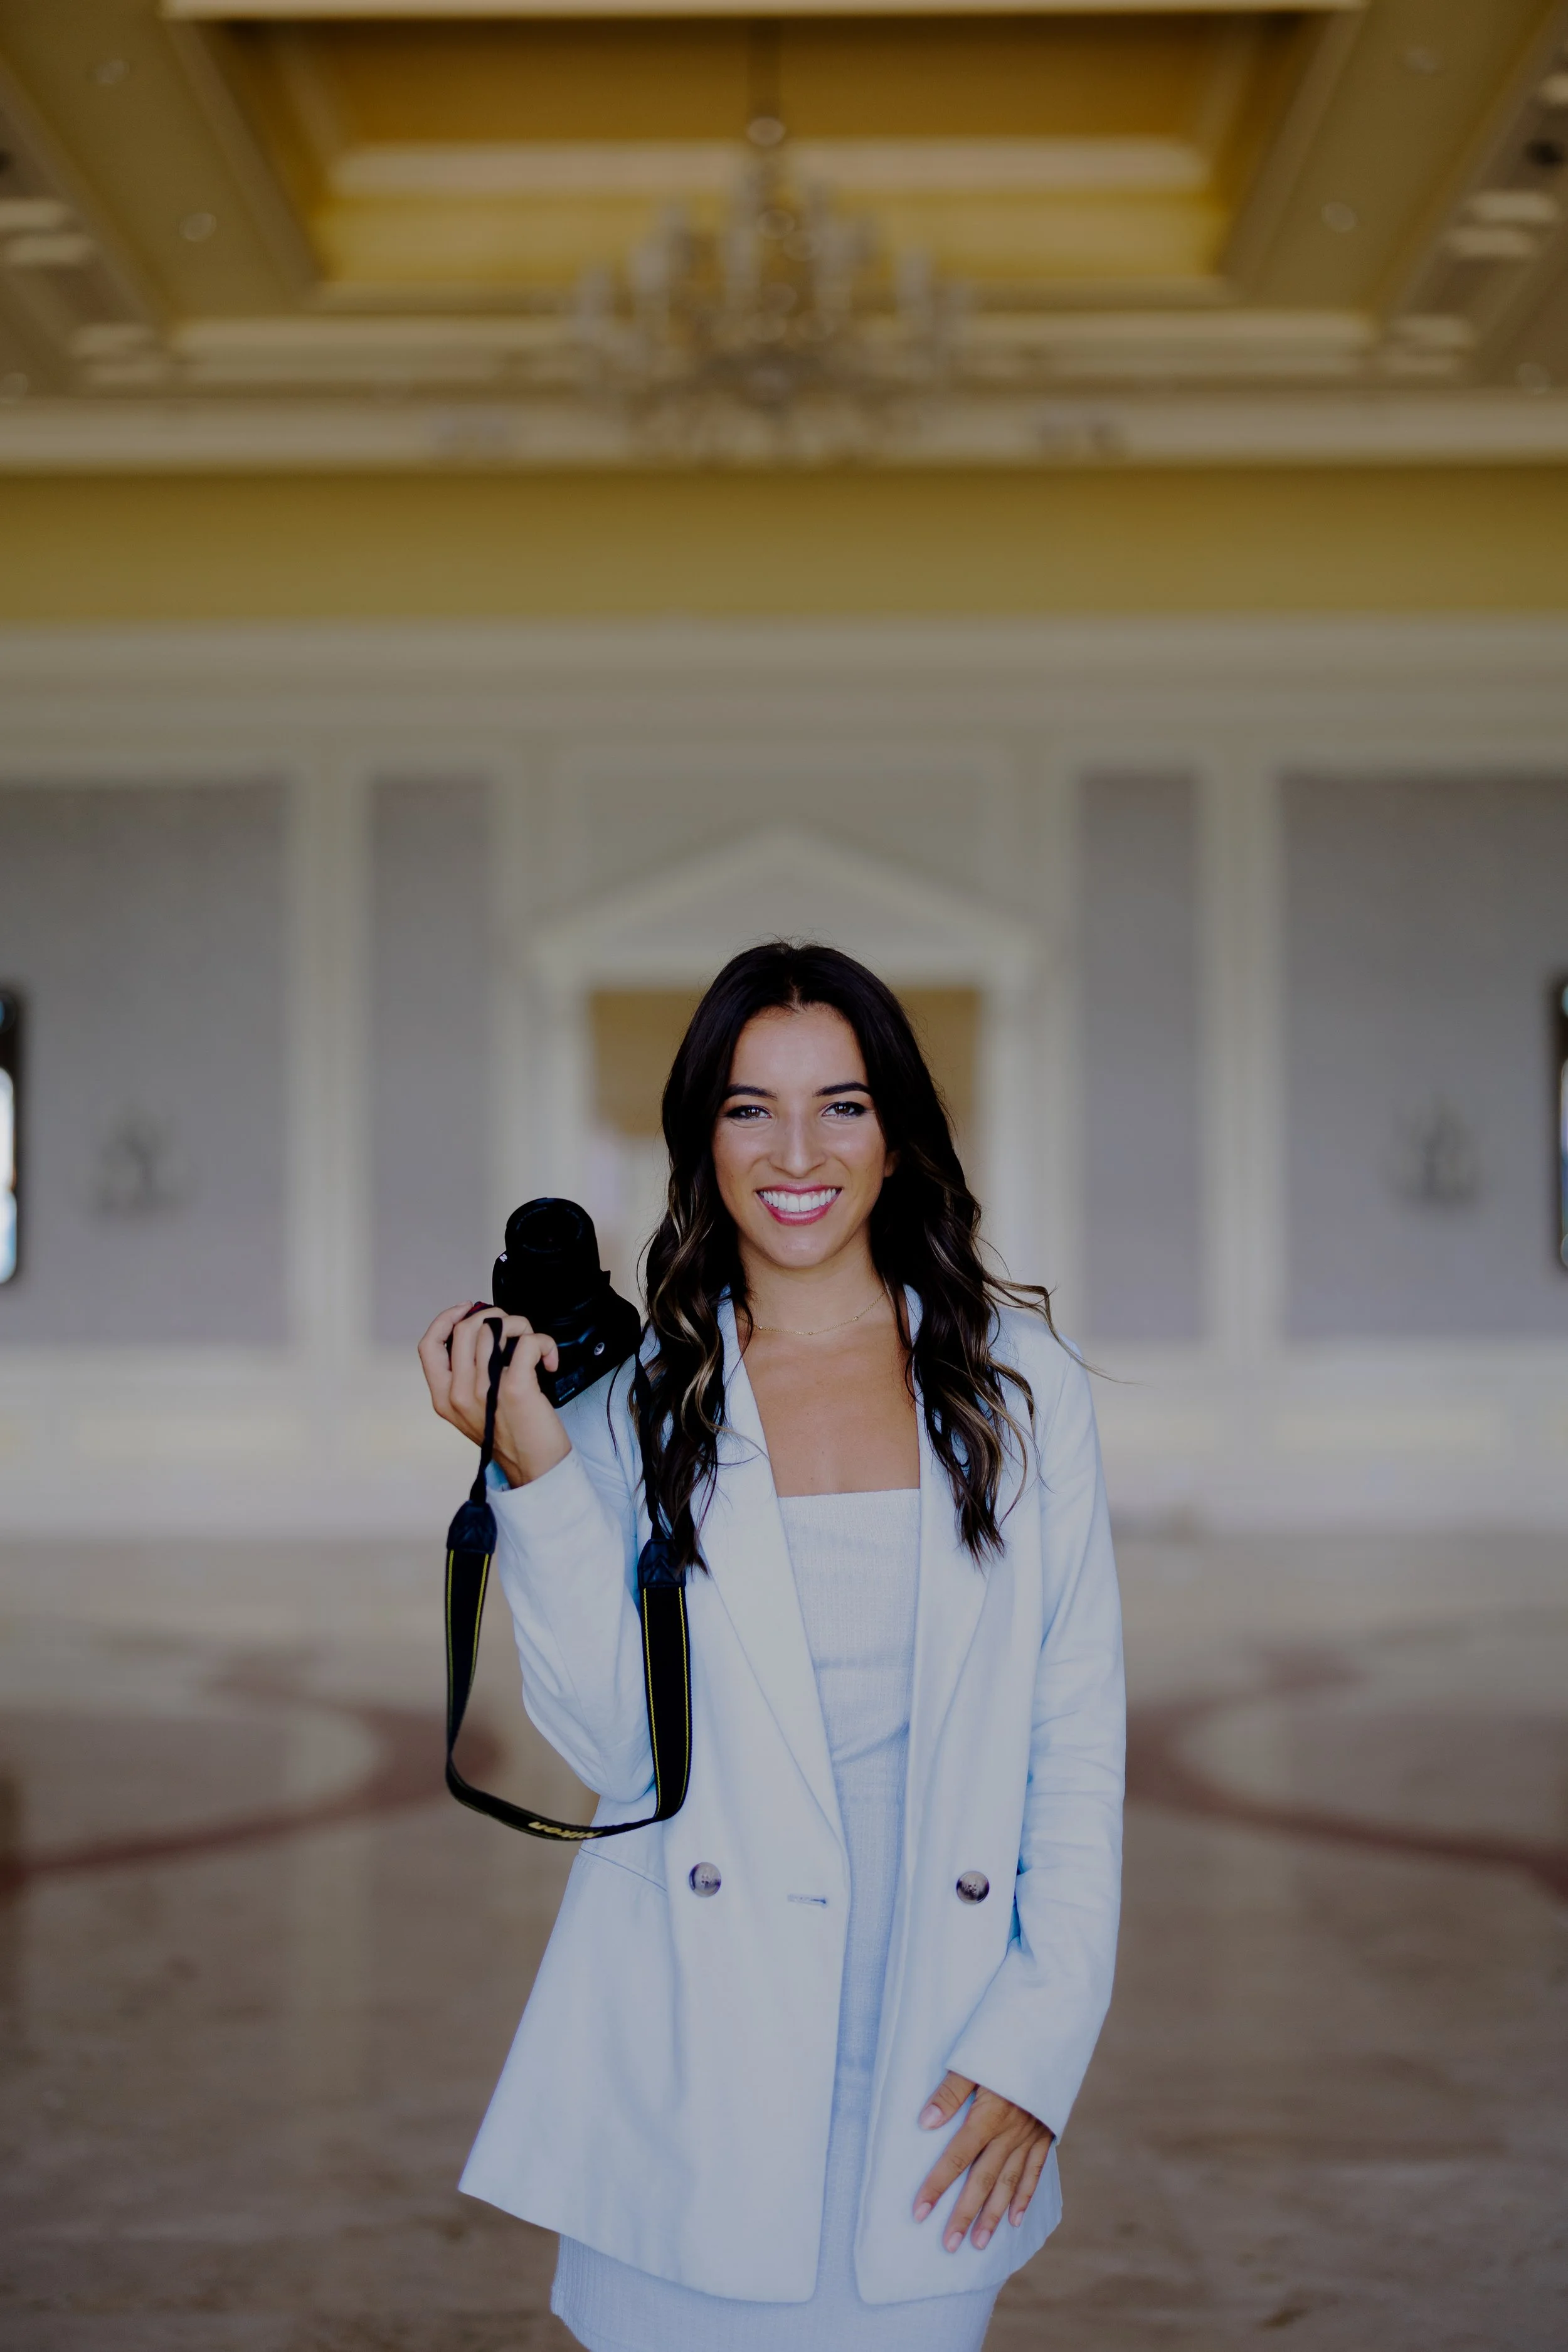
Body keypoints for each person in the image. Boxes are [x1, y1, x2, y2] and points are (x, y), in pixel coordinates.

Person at [418, 942, 1123, 2351]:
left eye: (840, 1105)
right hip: (689, 2045)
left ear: (896, 1132)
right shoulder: (636, 1399)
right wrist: (538, 1472)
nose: (795, 1151)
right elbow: (618, 1750)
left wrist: (1040, 2049)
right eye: (749, 1108)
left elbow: (1073, 1739)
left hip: (941, 2042)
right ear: (702, 1137)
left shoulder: (1020, 1389)